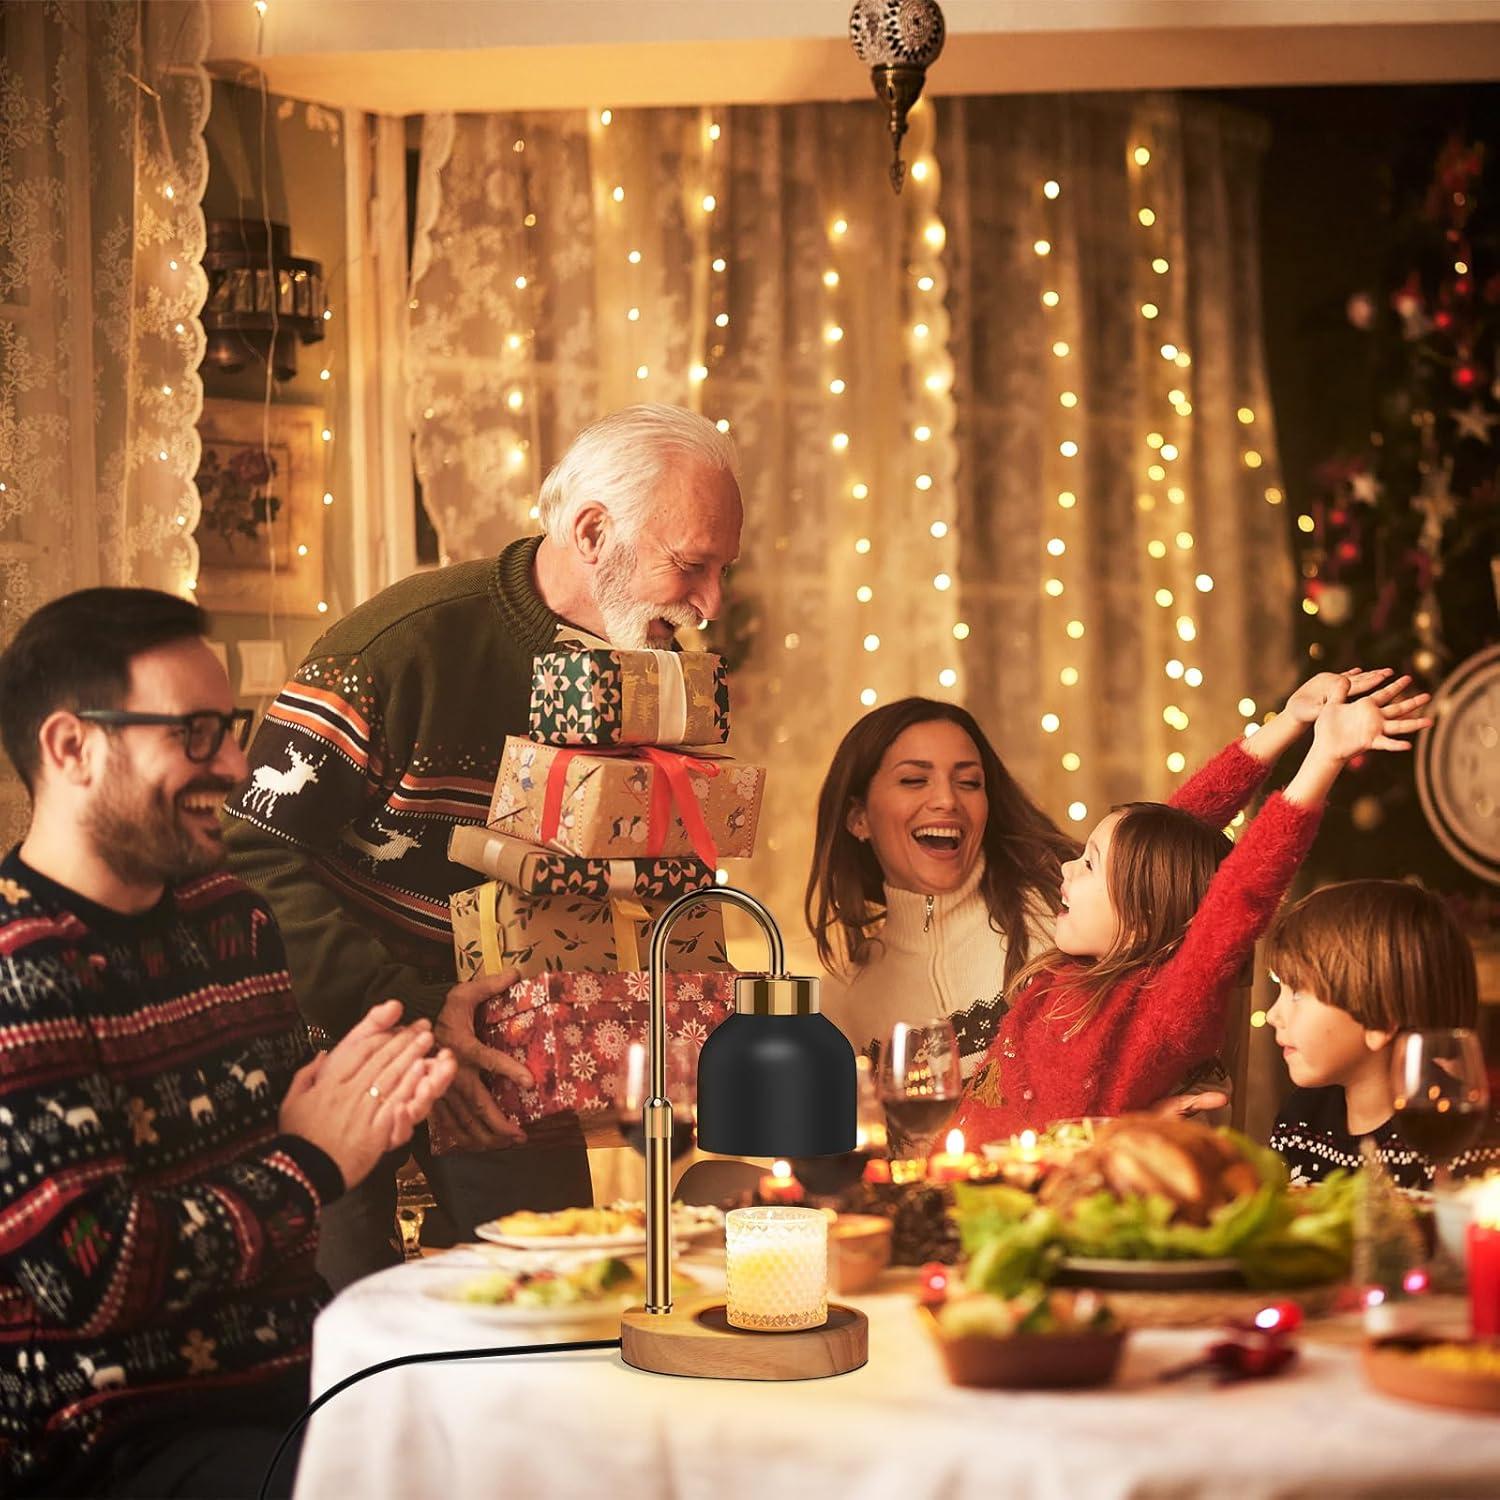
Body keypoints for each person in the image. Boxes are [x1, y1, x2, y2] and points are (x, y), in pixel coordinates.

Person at [222, 404, 743, 1289]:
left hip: (515, 1052)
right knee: (350, 1320)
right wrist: (416, 1012)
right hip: (344, 1042)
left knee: (560, 1303)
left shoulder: (652, 679)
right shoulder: (407, 645)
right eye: (691, 565)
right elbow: (249, 852)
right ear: (591, 532)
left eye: (723, 571)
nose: (710, 603)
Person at [0, 588, 454, 1497]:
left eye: (233, 729)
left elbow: (282, 1169)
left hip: (297, 1382)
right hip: (108, 1435)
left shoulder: (233, 919)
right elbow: (96, 1274)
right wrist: (311, 1161)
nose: (240, 767)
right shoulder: (20, 971)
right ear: (71, 747)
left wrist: (374, 1108)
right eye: (197, 735)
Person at [955, 668, 1431, 1143]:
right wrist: (1289, 722)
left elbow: (1244, 888)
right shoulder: (1086, 964)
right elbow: (1175, 831)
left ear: (1143, 915)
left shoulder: (1160, 1005)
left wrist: (1324, 758)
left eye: (1089, 864)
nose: (1066, 868)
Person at [806, 698, 1076, 1080]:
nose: (948, 800)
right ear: (858, 818)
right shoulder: (839, 1004)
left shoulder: (1061, 917)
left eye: (969, 783)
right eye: (914, 780)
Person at [1265, 879, 1500, 1189]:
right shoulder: (1300, 1119)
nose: (1272, 1015)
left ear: (1381, 1022)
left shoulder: (1460, 1139)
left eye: (1296, 993)